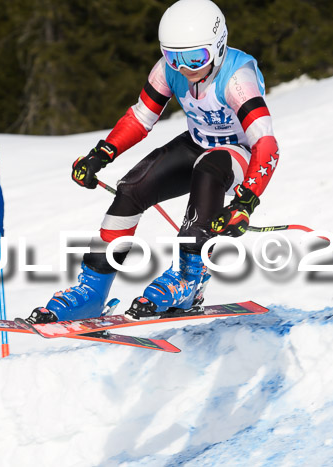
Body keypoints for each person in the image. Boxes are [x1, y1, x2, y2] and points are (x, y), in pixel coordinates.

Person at [25, 0, 279, 324]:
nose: (185, 68)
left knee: (209, 168)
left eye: (195, 57)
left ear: (218, 46)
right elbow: (141, 117)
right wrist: (101, 154)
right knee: (131, 190)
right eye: (174, 57)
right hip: (197, 142)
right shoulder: (167, 71)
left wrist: (247, 200)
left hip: (239, 152)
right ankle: (91, 292)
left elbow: (266, 142)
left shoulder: (236, 78)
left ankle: (188, 280)